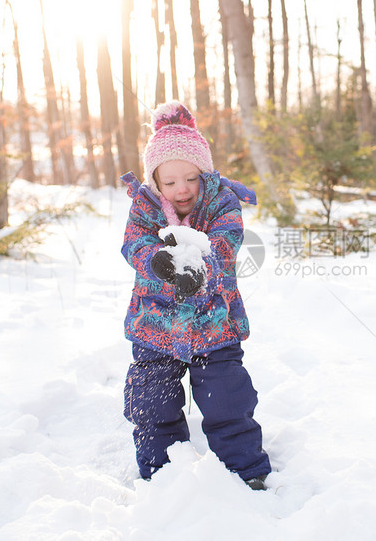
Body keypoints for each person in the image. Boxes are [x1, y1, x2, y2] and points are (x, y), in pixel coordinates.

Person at [119, 101, 271, 491]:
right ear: (154, 182)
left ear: (205, 172)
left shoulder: (221, 201)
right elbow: (134, 245)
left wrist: (202, 267)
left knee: (228, 400)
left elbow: (228, 240)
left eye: (191, 177)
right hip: (156, 329)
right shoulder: (144, 207)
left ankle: (246, 471)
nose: (181, 189)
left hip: (214, 326)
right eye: (169, 183)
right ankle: (163, 476)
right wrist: (159, 263)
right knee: (152, 404)